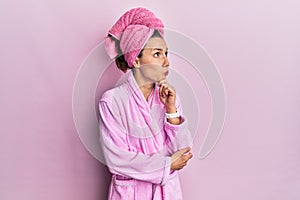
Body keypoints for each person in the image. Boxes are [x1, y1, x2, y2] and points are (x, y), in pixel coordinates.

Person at [99, 7, 193, 200]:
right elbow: (117, 160)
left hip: (167, 194)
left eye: (166, 53)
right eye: (157, 54)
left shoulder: (169, 99)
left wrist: (171, 111)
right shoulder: (111, 102)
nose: (166, 62)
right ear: (137, 60)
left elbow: (182, 153)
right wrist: (166, 165)